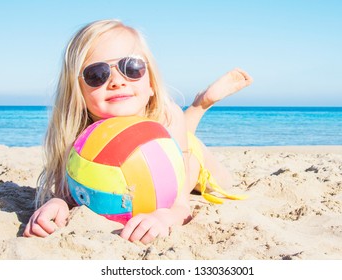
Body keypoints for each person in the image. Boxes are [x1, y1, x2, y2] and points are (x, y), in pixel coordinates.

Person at [23, 19, 253, 244]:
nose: (116, 81)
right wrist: (58, 203)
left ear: (151, 83)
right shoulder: (79, 138)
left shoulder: (167, 113)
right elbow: (72, 191)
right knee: (178, 138)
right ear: (78, 92)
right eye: (96, 74)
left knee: (222, 181)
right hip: (168, 142)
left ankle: (200, 105)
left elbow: (180, 205)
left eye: (131, 67)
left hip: (188, 154)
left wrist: (166, 216)